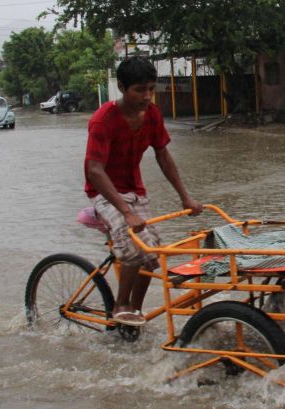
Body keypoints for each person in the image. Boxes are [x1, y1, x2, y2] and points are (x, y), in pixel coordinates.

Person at [85, 57, 202, 326]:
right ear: (123, 88)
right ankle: (120, 306)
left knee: (152, 255)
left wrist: (185, 197)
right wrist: (126, 212)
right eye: (140, 90)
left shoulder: (152, 115)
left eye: (151, 89)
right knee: (134, 247)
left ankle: (134, 312)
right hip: (105, 193)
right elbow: (95, 170)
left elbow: (163, 155)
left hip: (135, 190)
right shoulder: (103, 120)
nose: (147, 96)